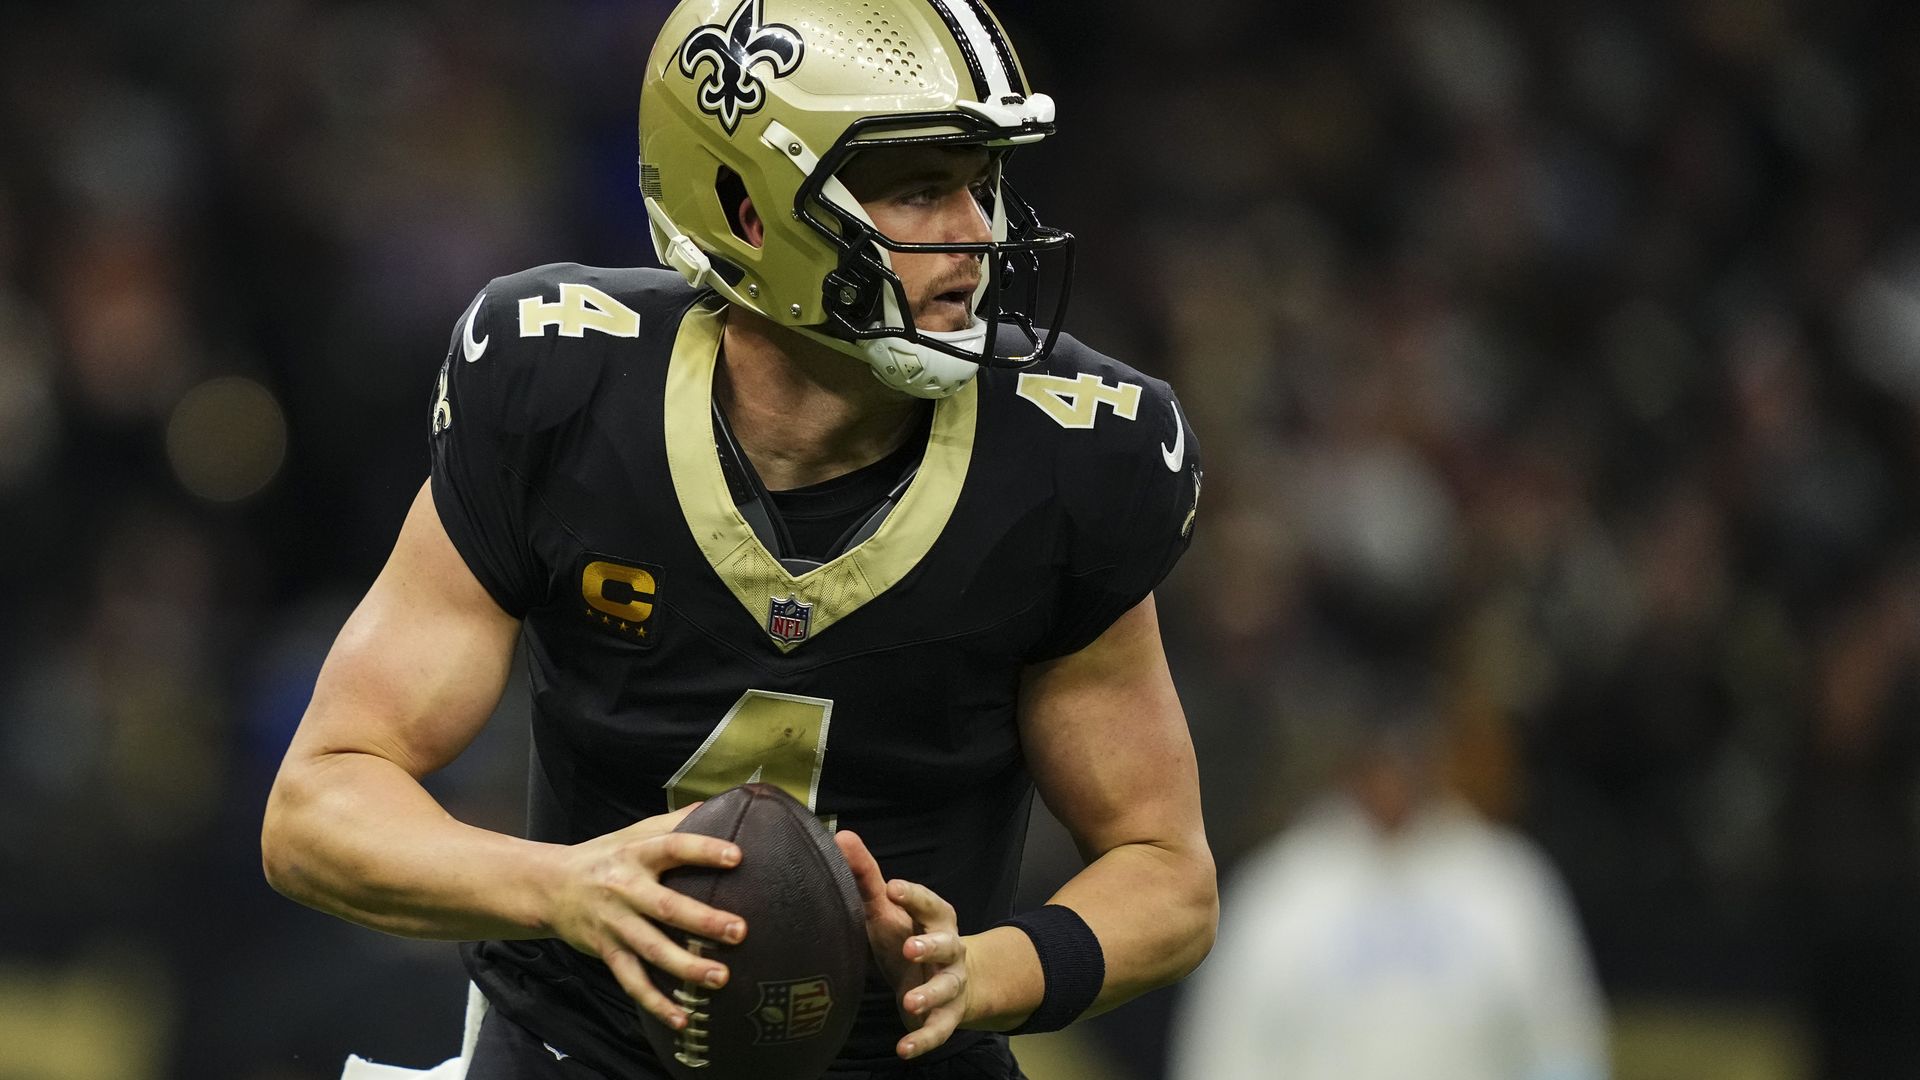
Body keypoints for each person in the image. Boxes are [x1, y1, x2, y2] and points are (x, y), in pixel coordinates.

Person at [260, 0, 1215, 1077]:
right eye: (918, 188)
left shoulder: (1073, 455)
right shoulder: (560, 387)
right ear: (749, 212)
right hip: (576, 1051)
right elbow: (318, 803)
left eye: (982, 183)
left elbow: (1166, 872)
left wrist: (987, 970)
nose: (980, 232)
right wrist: (564, 888)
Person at [1169, 697, 1607, 1080]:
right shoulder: (1282, 890)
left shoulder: (1506, 884)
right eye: (1384, 758)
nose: (1395, 776)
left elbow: (1561, 1044)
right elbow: (1224, 1052)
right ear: (1352, 764)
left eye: (1411, 757)